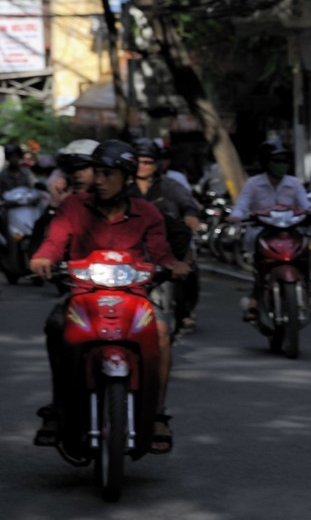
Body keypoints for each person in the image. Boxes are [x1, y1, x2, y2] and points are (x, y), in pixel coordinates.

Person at [29, 139, 190, 452]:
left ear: (127, 177)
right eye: (97, 173)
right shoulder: (73, 206)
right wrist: (43, 258)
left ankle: (157, 413)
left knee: (160, 330)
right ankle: (57, 406)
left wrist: (173, 265)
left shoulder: (148, 213)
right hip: (84, 296)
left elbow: (160, 252)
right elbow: (55, 241)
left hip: (134, 297)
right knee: (56, 326)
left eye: (107, 174)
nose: (98, 180)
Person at [229, 140, 311, 322]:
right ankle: (255, 302)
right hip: (262, 232)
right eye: (277, 160)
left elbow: (306, 205)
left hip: (291, 232)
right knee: (261, 266)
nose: (281, 165)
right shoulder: (253, 183)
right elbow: (241, 205)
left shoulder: (294, 183)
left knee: (305, 258)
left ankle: (307, 298)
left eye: (284, 161)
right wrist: (236, 216)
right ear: (266, 162)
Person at [132, 138, 204, 333]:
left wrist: (191, 215)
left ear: (157, 164)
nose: (142, 167)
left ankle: (184, 312)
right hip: (131, 244)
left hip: (166, 242)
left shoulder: (170, 185)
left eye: (147, 162)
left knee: (184, 265)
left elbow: (187, 203)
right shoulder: (123, 187)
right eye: (138, 162)